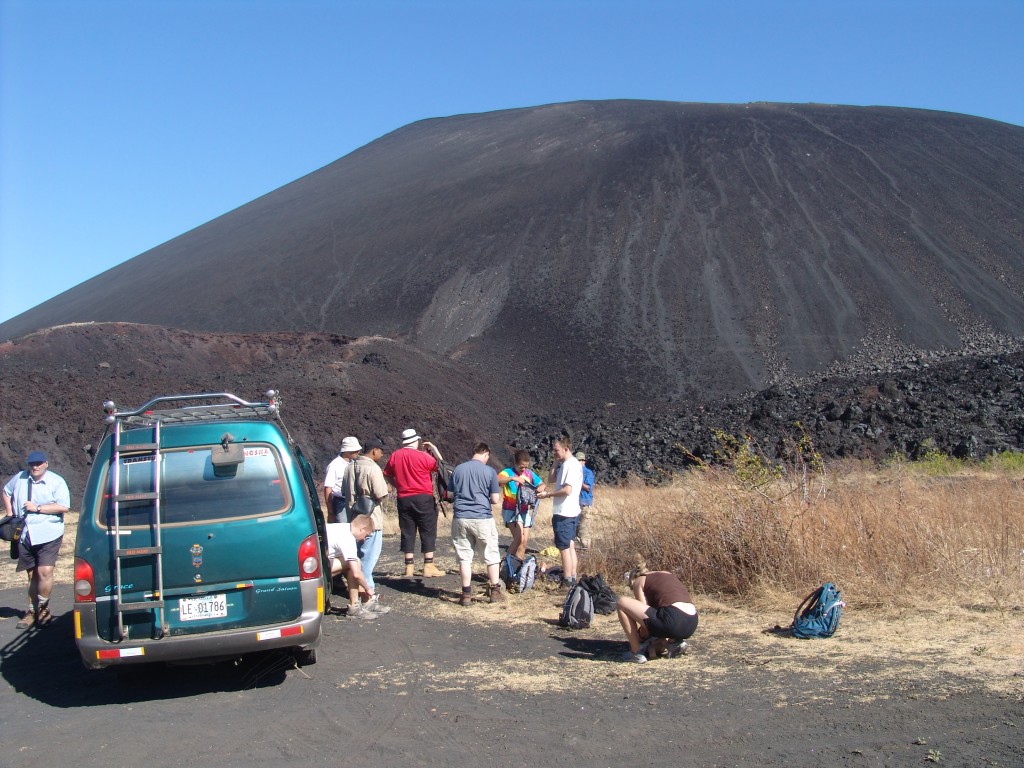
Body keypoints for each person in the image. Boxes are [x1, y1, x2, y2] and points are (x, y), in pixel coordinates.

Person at [2, 450, 71, 629]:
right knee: (32, 574)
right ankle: (32, 611)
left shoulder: (56, 482)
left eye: (39, 463)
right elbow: (6, 491)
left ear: (46, 464)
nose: (35, 466)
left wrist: (38, 508)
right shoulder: (19, 478)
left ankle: (43, 607)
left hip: (49, 532)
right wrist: (10, 514)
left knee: (45, 571)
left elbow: (64, 506)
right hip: (25, 534)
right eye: (32, 464)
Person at [383, 428, 446, 578]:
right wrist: (434, 450)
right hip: (423, 497)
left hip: (403, 498)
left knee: (407, 531)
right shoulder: (424, 456)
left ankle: (409, 566)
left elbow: (387, 474)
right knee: (428, 530)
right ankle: (428, 565)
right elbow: (442, 467)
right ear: (416, 441)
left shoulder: (395, 455)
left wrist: (398, 485)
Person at [450, 443, 504, 606]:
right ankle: (495, 591)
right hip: (482, 517)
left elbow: (450, 494)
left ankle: (466, 594)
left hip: (460, 517)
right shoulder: (489, 472)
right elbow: (495, 499)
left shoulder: (458, 469)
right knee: (491, 554)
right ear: (486, 454)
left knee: (464, 556)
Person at [342, 438, 390, 613]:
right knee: (368, 558)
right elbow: (381, 493)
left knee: (357, 557)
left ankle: (358, 593)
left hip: (353, 519)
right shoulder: (373, 468)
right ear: (375, 450)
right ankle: (368, 596)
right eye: (381, 452)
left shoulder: (349, 467)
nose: (382, 455)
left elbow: (343, 491)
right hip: (371, 521)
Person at [616, 564, 698, 663]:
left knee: (622, 602)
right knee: (668, 615)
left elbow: (645, 621)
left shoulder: (640, 580)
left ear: (633, 579)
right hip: (692, 621)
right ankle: (675, 643)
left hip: (673, 619)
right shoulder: (667, 574)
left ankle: (636, 653)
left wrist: (641, 637)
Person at [537, 437, 583, 588]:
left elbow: (567, 490)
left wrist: (548, 495)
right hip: (570, 511)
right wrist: (556, 462)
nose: (554, 452)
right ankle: (572, 577)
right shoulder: (567, 464)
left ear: (566, 449)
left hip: (565, 512)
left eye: (556, 450)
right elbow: (551, 479)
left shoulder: (571, 465)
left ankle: (567, 580)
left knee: (563, 548)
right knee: (569, 546)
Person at [325, 514, 389, 620]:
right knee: (355, 564)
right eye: (366, 535)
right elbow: (356, 574)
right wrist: (368, 589)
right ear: (361, 529)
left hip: (312, 564)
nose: (364, 539)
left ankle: (366, 601)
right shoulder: (348, 538)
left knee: (350, 562)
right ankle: (355, 606)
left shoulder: (340, 527)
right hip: (317, 570)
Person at [498, 449, 546, 561]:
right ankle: (507, 564)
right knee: (519, 539)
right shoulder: (508, 472)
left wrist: (541, 487)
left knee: (524, 542)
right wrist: (513, 478)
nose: (523, 469)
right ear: (515, 463)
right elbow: (497, 480)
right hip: (511, 510)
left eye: (526, 466)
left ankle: (518, 566)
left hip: (524, 511)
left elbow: (541, 483)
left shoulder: (529, 474)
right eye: (521, 466)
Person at [323, 437, 361, 522]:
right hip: (340, 502)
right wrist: (330, 511)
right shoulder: (334, 465)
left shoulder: (354, 464)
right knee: (342, 528)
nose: (358, 452)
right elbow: (328, 488)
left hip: (353, 501)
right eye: (355, 450)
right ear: (348, 451)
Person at [575, 451, 595, 550]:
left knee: (584, 527)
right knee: (576, 527)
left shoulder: (588, 472)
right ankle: (581, 548)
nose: (581, 462)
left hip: (585, 502)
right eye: (579, 460)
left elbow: (588, 488)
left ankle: (586, 549)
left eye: (582, 460)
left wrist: (578, 481)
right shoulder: (574, 472)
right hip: (575, 503)